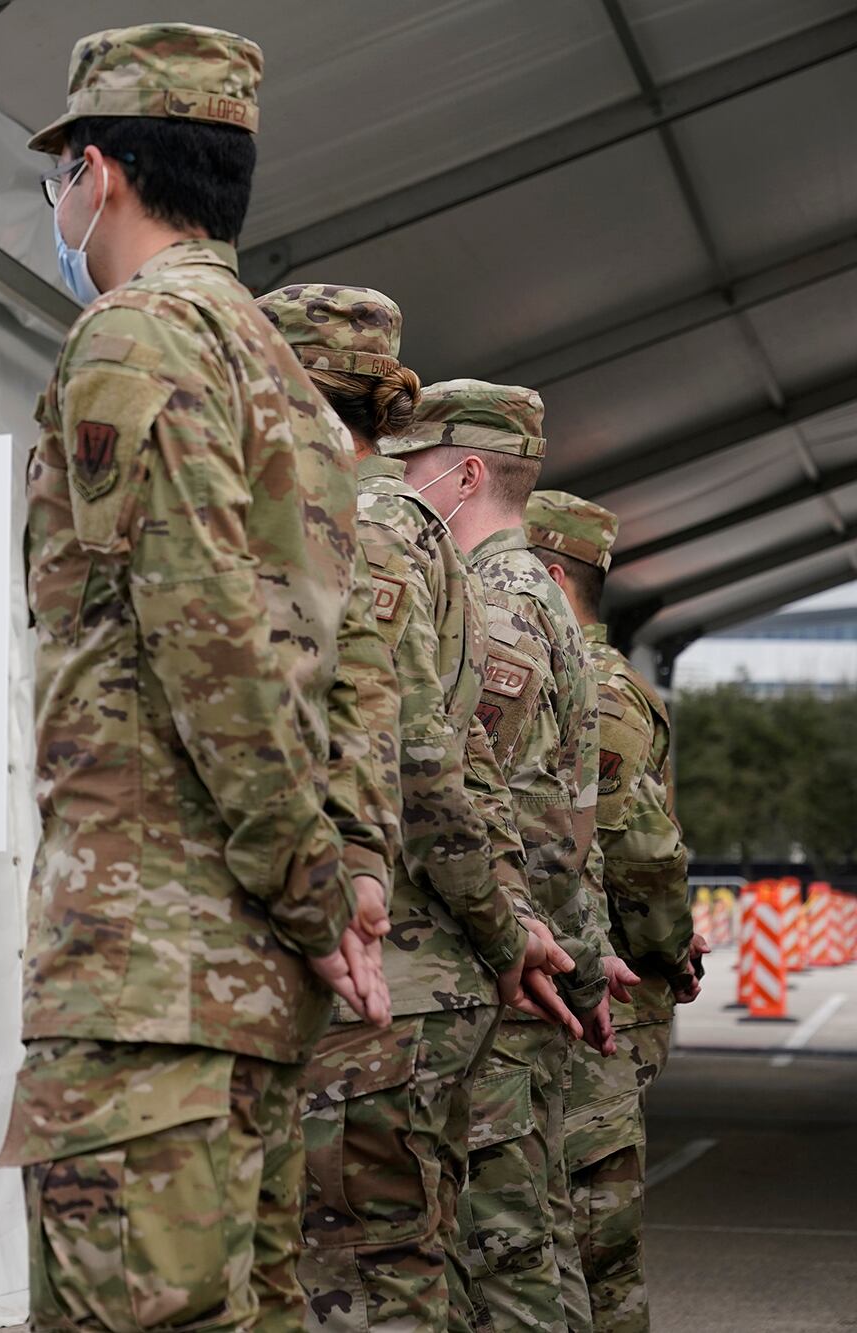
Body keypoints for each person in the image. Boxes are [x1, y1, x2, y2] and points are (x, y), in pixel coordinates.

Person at [0, 26, 393, 1332]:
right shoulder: (283, 375)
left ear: (98, 175)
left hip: (146, 976)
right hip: (247, 987)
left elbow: (206, 635)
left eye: (62, 177)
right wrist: (340, 882)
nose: (62, 204)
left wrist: (315, 885)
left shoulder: (135, 339)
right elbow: (348, 666)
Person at [256, 289, 582, 1331]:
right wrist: (513, 920)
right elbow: (470, 754)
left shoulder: (363, 523)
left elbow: (416, 752)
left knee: (364, 1278)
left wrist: (501, 924)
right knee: (407, 1261)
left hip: (385, 971)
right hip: (418, 973)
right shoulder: (412, 529)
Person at [394, 381, 620, 1333]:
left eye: (413, 468)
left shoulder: (495, 604)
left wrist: (532, 945)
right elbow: (576, 809)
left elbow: (503, 807)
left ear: (467, 472)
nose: (402, 489)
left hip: (499, 973)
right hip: (533, 962)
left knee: (499, 1258)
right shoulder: (550, 604)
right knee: (530, 1243)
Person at [529, 491, 706, 1333]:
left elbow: (640, 847)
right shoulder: (580, 676)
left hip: (601, 996)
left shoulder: (598, 688)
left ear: (555, 575)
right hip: (565, 986)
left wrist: (669, 950)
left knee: (592, 1236)